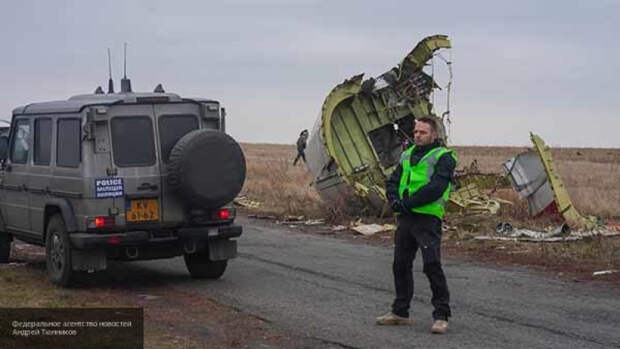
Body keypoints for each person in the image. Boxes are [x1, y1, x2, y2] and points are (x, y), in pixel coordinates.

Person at [376, 117, 457, 334]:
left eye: (422, 132)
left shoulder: (444, 157)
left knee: (431, 265)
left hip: (427, 218)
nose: (417, 135)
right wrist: (394, 201)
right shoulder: (407, 154)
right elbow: (394, 181)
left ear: (434, 134)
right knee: (400, 264)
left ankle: (441, 316)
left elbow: (437, 187)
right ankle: (400, 312)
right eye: (416, 132)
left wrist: (407, 204)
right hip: (406, 218)